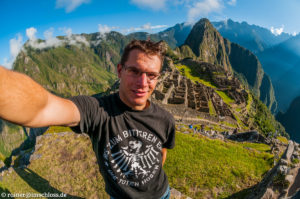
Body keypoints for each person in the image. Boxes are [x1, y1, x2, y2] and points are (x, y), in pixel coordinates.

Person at [0, 39, 175, 199]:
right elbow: (44, 108)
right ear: (120, 70)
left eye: (151, 75)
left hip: (162, 194)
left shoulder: (165, 119)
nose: (143, 82)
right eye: (134, 71)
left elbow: (162, 152)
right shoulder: (96, 110)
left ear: (158, 77)